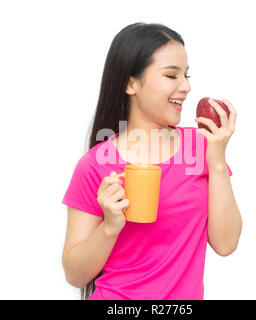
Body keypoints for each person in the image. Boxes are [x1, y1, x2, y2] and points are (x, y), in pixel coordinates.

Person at [61, 22, 242, 300]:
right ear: (131, 83)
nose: (186, 86)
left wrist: (217, 160)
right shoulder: (96, 164)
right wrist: (109, 227)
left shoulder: (202, 147)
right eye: (172, 75)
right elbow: (75, 275)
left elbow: (226, 244)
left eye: (187, 75)